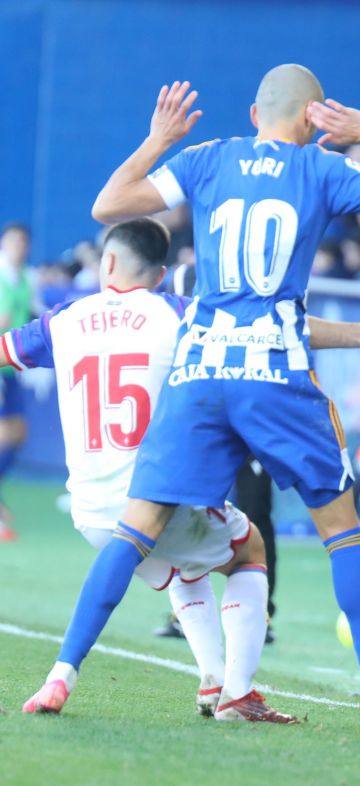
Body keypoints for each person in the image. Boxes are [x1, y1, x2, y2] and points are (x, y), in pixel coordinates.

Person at [26, 66, 360, 739]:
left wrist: (158, 139)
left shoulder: (207, 158)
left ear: (253, 113)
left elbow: (108, 205)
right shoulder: (320, 167)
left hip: (202, 370)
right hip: (275, 371)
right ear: (313, 119)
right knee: (342, 534)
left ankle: (60, 676)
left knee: (135, 532)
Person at [9, 219, 295, 722]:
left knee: (186, 563)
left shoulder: (64, 318)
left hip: (91, 512)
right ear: (161, 274)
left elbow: (7, 350)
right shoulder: (177, 314)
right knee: (249, 548)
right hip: (153, 496)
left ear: (107, 262)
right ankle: (238, 693)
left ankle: (213, 678)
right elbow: (257, 341)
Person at [0, 223, 33, 542]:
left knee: (18, 433)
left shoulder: (24, 277)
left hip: (11, 367)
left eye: (22, 242)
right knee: (5, 433)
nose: (18, 247)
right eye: (12, 241)